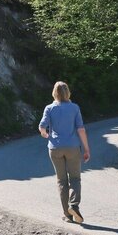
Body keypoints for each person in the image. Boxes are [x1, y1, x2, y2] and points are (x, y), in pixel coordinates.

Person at [38, 81, 90, 224]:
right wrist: (86, 148)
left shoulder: (49, 108)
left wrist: (46, 135)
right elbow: (81, 129)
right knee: (75, 178)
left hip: (55, 148)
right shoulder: (74, 108)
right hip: (73, 147)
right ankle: (74, 205)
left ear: (54, 93)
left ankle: (67, 215)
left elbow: (42, 127)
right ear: (68, 92)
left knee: (62, 181)